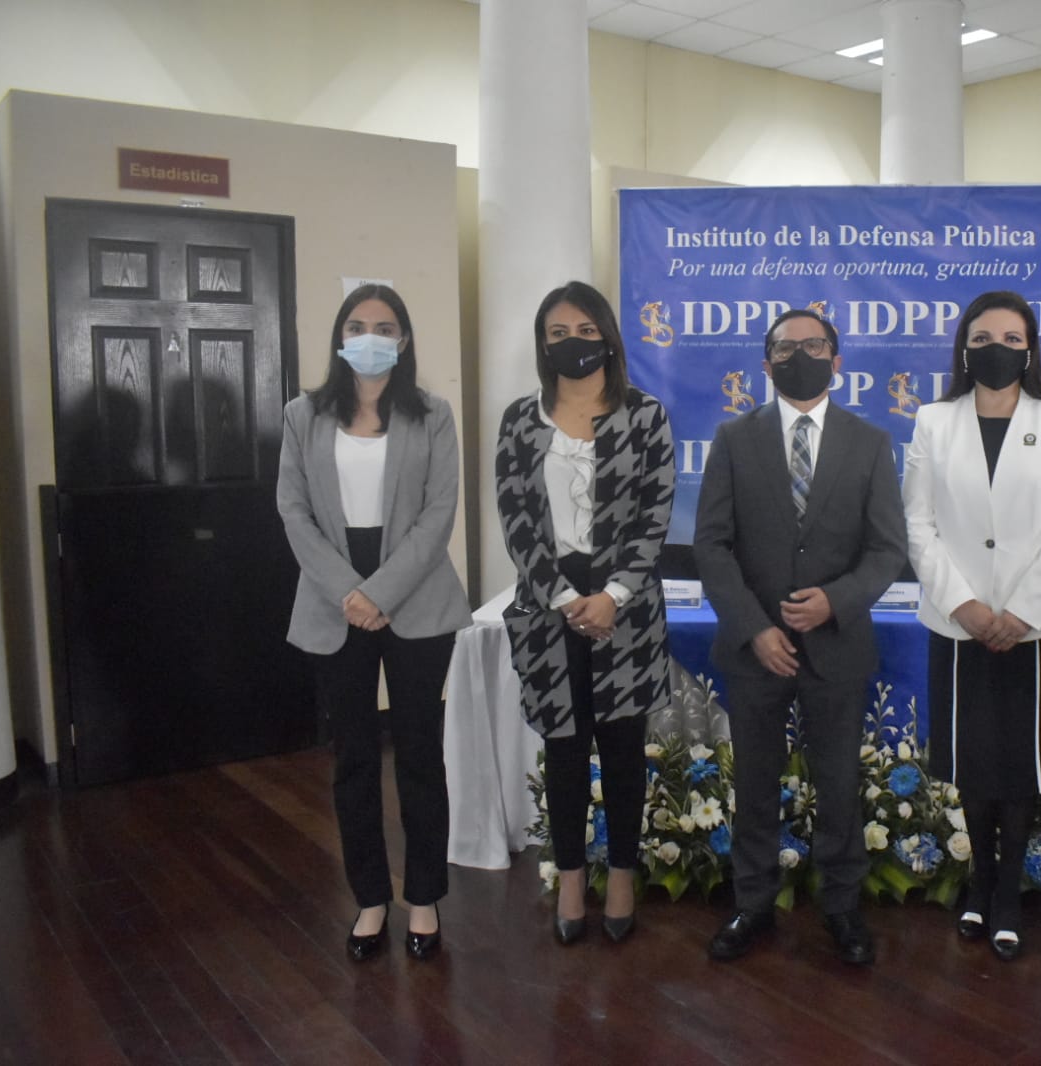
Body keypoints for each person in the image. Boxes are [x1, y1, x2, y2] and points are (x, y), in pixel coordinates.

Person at [694, 307, 908, 966]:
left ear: (836, 361)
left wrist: (834, 601)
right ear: (766, 364)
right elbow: (711, 544)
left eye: (814, 346)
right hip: (756, 649)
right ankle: (752, 902)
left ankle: (841, 906)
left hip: (837, 645)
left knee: (839, 785)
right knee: (755, 784)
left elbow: (887, 549)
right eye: (786, 349)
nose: (800, 357)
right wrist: (755, 628)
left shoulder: (869, 442)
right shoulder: (733, 438)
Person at [278, 283, 471, 961]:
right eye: (357, 325)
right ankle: (368, 898)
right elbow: (293, 510)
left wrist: (381, 591)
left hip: (416, 593)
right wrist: (350, 592)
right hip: (334, 597)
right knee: (354, 758)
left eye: (385, 327)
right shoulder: (303, 415)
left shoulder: (432, 414)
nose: (370, 337)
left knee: (419, 753)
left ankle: (423, 897)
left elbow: (439, 512)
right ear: (339, 337)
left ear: (403, 339)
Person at [902, 291, 1041, 960]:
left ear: (1030, 348)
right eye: (983, 337)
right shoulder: (933, 420)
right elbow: (919, 525)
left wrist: (1020, 611)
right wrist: (965, 606)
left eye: (1012, 338)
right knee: (972, 765)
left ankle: (1009, 891)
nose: (997, 348)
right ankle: (978, 884)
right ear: (963, 347)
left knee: (1021, 765)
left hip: (1033, 629)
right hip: (958, 626)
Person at [495, 281, 675, 946]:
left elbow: (655, 514)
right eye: (557, 333)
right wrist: (566, 598)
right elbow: (515, 517)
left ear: (607, 337)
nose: (573, 342)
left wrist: (612, 595)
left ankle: (622, 875)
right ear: (543, 345)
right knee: (564, 749)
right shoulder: (521, 419)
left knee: (624, 747)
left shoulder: (645, 415)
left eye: (585, 330)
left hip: (624, 606)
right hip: (550, 607)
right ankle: (570, 877)